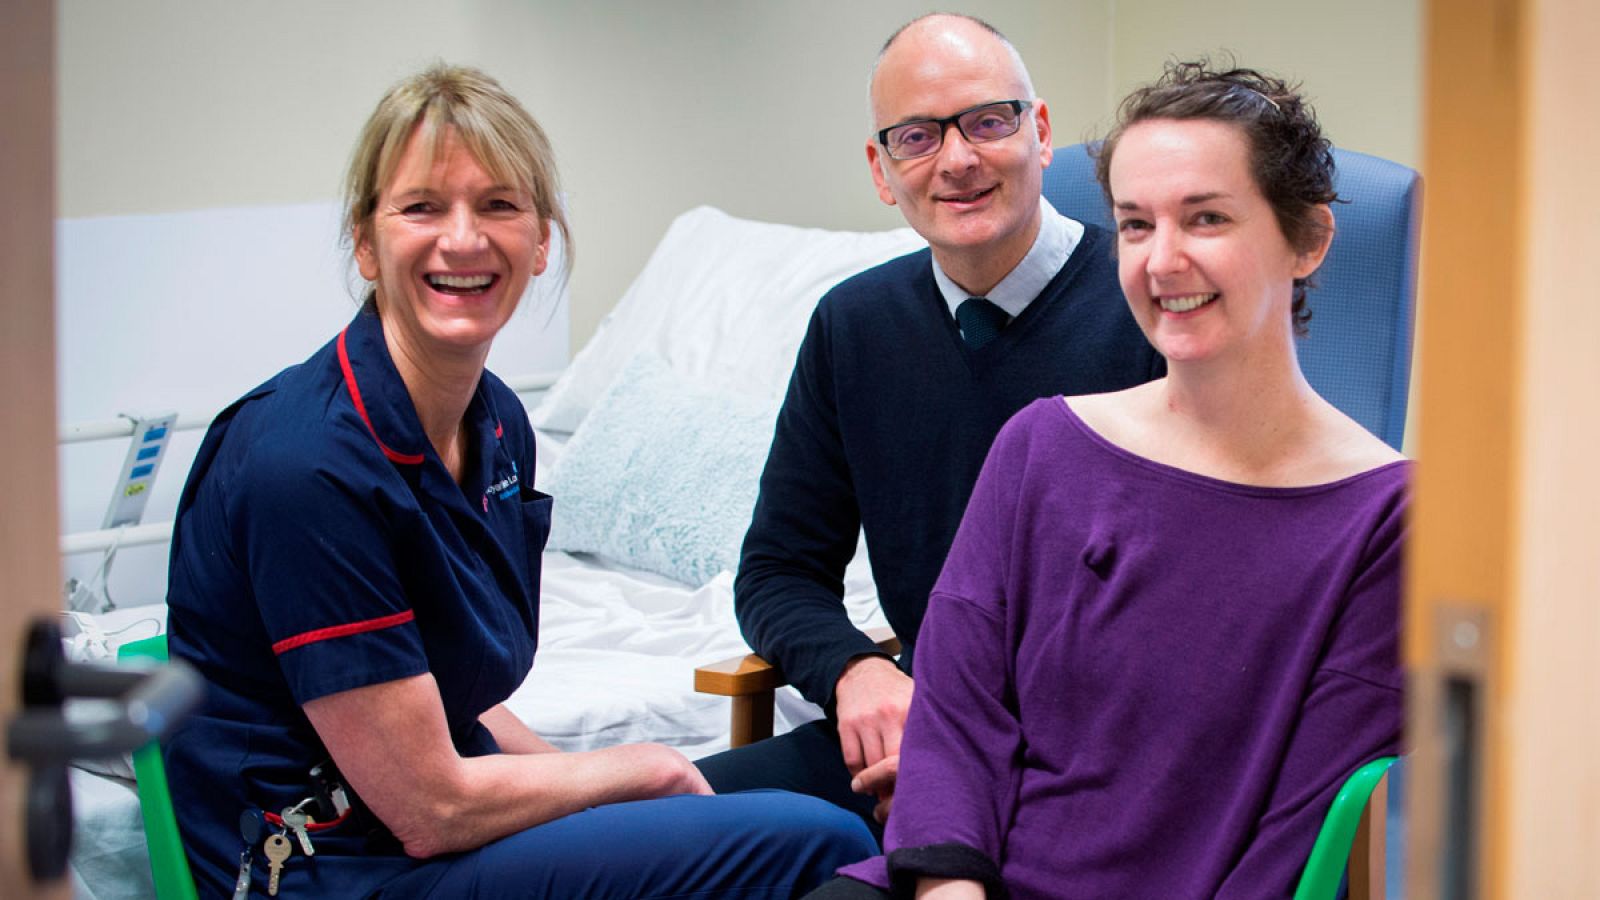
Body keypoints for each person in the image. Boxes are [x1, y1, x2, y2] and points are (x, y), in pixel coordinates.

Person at [162, 64, 875, 898]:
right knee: (816, 841)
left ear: (541, 242)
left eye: (499, 205)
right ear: (365, 240)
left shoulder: (496, 423)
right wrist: (640, 771)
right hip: (340, 869)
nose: (463, 239)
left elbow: (448, 693)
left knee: (815, 797)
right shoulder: (304, 465)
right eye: (422, 206)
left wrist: (613, 791)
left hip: (427, 823)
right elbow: (430, 808)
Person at [810, 60, 1410, 898]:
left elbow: (1298, 836)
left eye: (1205, 219)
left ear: (1307, 239)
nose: (1163, 261)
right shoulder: (1044, 447)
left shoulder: (1389, 520)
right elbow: (956, 714)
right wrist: (950, 888)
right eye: (1135, 225)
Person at [695, 13, 1163, 831]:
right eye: (916, 136)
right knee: (661, 829)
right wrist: (855, 674)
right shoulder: (854, 326)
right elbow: (776, 571)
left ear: (1041, 131)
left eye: (988, 121)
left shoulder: (1149, 310)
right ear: (882, 170)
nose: (957, 159)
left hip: (1096, 764)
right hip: (913, 732)